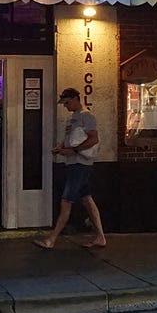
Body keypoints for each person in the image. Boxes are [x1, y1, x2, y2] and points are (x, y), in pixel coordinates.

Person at [37, 87, 107, 249]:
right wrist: (61, 147)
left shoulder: (87, 116)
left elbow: (93, 139)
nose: (65, 106)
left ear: (76, 99)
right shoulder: (72, 118)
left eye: (67, 102)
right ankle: (100, 236)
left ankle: (52, 239)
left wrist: (73, 151)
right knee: (87, 199)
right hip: (73, 162)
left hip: (80, 164)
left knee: (66, 201)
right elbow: (69, 138)